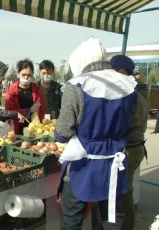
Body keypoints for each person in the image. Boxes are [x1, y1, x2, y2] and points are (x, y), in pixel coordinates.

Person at [55, 37, 139, 230]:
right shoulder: (128, 85)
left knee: (72, 220)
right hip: (114, 166)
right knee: (112, 219)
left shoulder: (77, 86)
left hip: (83, 166)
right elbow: (133, 125)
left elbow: (63, 132)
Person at [108, 55, 149, 230]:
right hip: (134, 147)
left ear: (122, 72)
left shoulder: (131, 94)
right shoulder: (138, 90)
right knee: (124, 191)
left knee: (124, 192)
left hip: (130, 149)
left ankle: (126, 226)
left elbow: (128, 123)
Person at [5, 58, 44, 134]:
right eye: (23, 75)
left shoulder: (36, 89)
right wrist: (28, 110)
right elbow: (9, 110)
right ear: (18, 74)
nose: (26, 77)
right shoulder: (12, 90)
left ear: (32, 74)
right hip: (16, 127)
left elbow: (40, 108)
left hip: (33, 128)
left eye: (29, 75)